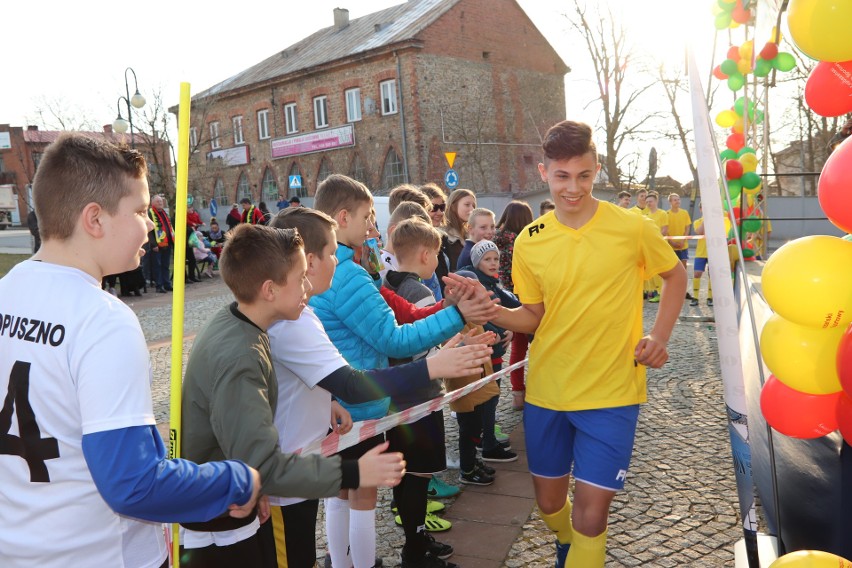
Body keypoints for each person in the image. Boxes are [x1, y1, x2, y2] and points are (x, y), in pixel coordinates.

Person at [0, 132, 263, 568]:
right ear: (95, 219)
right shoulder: (102, 319)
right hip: (100, 553)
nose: (149, 224)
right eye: (140, 211)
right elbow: (132, 484)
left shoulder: (7, 292)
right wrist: (235, 480)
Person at [491, 120, 686, 568]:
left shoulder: (632, 227)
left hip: (613, 392)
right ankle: (569, 547)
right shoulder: (529, 241)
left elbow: (674, 275)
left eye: (583, 175)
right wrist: (487, 312)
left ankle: (579, 551)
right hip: (548, 391)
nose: (573, 187)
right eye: (562, 176)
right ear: (544, 173)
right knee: (549, 505)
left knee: (592, 515)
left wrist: (659, 336)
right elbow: (533, 317)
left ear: (597, 169)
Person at [264, 207, 491, 568]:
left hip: (302, 462)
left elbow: (329, 377)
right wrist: (433, 363)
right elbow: (357, 378)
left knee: (335, 507)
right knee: (340, 511)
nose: (339, 262)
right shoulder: (293, 319)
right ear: (308, 261)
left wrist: (328, 402)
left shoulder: (300, 313)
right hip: (285, 476)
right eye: (331, 253)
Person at [180, 223, 406, 566]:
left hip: (234, 499)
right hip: (220, 521)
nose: (307, 286)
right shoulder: (242, 356)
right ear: (269, 289)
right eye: (300, 277)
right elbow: (265, 465)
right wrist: (356, 472)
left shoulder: (238, 324)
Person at [310, 174, 469, 568]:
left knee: (341, 491)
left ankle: (343, 563)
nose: (371, 227)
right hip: (359, 402)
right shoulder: (346, 274)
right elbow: (394, 340)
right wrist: (460, 315)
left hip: (338, 399)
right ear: (342, 217)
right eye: (366, 217)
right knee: (361, 494)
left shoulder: (341, 270)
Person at [383, 218, 468, 567]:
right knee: (418, 477)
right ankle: (415, 550)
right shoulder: (419, 292)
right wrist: (458, 343)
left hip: (398, 395)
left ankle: (415, 540)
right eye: (438, 254)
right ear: (425, 254)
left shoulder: (387, 282)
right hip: (418, 394)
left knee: (405, 474)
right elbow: (423, 346)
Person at [493, 201, 534, 409]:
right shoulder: (523, 241)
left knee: (517, 349)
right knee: (534, 347)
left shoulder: (496, 239)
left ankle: (518, 392)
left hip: (504, 296)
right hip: (524, 297)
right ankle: (534, 391)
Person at [666, 193, 693, 301]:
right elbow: (666, 230)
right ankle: (671, 291)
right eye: (675, 200)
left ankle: (683, 291)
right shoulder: (666, 214)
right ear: (670, 202)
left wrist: (683, 240)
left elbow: (687, 228)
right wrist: (672, 242)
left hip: (683, 245)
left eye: (678, 199)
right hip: (671, 246)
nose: (677, 201)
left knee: (683, 269)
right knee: (672, 269)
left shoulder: (684, 213)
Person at [441, 189, 476, 272]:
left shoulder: (470, 233)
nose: (472, 209)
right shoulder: (444, 236)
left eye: (473, 205)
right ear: (453, 206)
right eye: (467, 205)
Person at [644, 192, 668, 304]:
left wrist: (656, 240)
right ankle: (653, 292)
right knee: (651, 270)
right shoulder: (646, 216)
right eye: (647, 202)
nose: (649, 203)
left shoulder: (662, 213)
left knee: (659, 270)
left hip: (658, 245)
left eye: (651, 201)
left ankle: (660, 293)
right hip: (649, 246)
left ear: (656, 201)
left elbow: (664, 230)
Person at [148, 194, 174, 293]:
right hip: (157, 246)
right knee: (157, 265)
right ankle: (159, 285)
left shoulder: (164, 212)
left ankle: (167, 283)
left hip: (167, 243)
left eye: (161, 201)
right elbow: (149, 231)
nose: (160, 203)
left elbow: (169, 226)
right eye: (158, 201)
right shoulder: (150, 213)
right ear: (152, 203)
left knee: (165, 265)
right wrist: (153, 244)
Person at [691, 203, 713, 307]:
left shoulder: (715, 222)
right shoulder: (697, 222)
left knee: (712, 275)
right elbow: (699, 232)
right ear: (700, 209)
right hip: (701, 252)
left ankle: (710, 297)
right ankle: (695, 297)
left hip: (713, 252)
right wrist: (705, 220)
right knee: (697, 274)